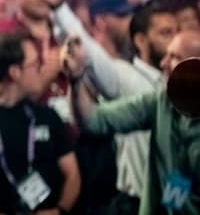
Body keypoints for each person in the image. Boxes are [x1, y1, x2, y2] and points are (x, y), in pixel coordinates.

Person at [27, 0, 180, 213]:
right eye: (165, 33)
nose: (174, 40)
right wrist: (59, 8)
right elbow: (90, 56)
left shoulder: (179, 90)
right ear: (141, 41)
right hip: (134, 204)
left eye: (176, 32)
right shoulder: (131, 79)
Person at [66, 29, 200, 215]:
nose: (163, 63)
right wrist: (76, 79)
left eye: (175, 57)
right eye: (166, 55)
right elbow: (94, 120)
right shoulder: (160, 101)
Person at [0, 31, 80, 215]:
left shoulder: (47, 116)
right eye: (35, 65)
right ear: (14, 72)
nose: (41, 70)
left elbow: (72, 174)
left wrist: (60, 210)